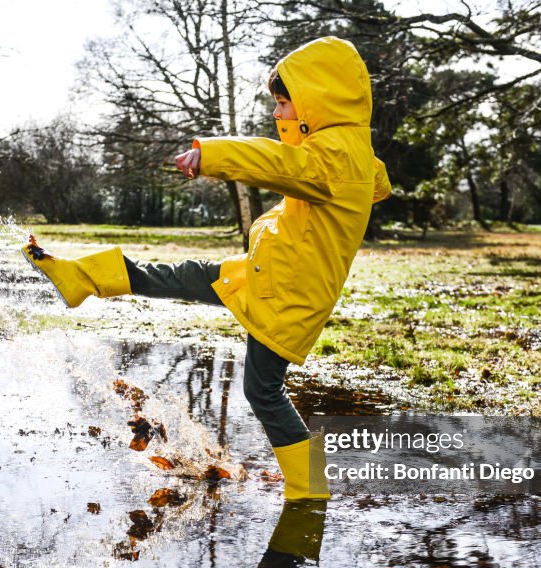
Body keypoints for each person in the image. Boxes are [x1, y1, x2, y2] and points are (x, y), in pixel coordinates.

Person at [22, 36, 391, 500]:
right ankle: (82, 278)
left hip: (287, 294)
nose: (277, 115)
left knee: (263, 390)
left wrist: (212, 155)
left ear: (319, 103)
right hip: (269, 274)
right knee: (185, 275)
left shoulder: (333, 156)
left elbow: (275, 162)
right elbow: (373, 180)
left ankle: (309, 489)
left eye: (283, 104)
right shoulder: (347, 152)